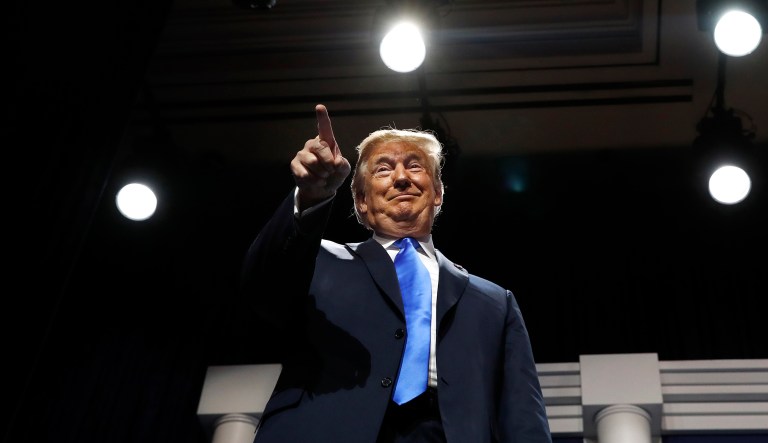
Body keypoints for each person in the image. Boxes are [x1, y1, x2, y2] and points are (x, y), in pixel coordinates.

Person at [240, 104, 552, 443]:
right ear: (361, 200)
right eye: (383, 169)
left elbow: (522, 416)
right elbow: (263, 287)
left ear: (438, 193)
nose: (402, 177)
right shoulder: (316, 260)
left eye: (415, 166)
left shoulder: (495, 302)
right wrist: (311, 196)